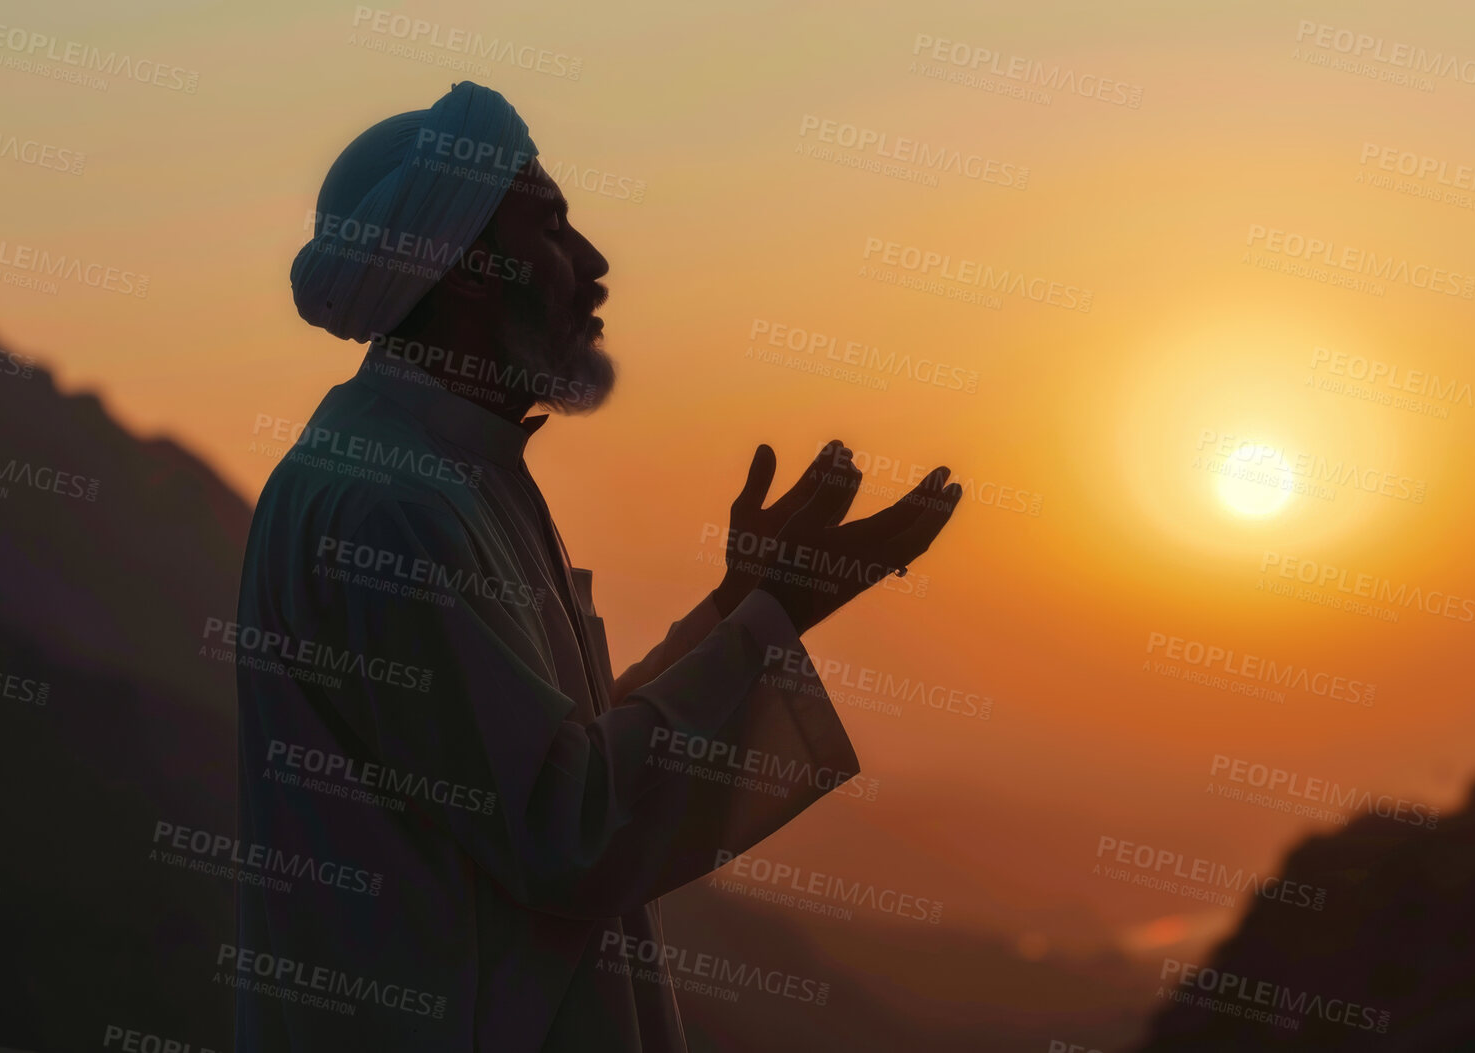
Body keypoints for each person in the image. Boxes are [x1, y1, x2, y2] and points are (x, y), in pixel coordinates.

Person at [233, 80, 960, 1052]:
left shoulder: (444, 468)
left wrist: (745, 605)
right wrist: (771, 611)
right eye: (553, 229)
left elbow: (550, 754)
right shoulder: (394, 503)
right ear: (471, 271)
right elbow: (566, 827)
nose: (595, 265)